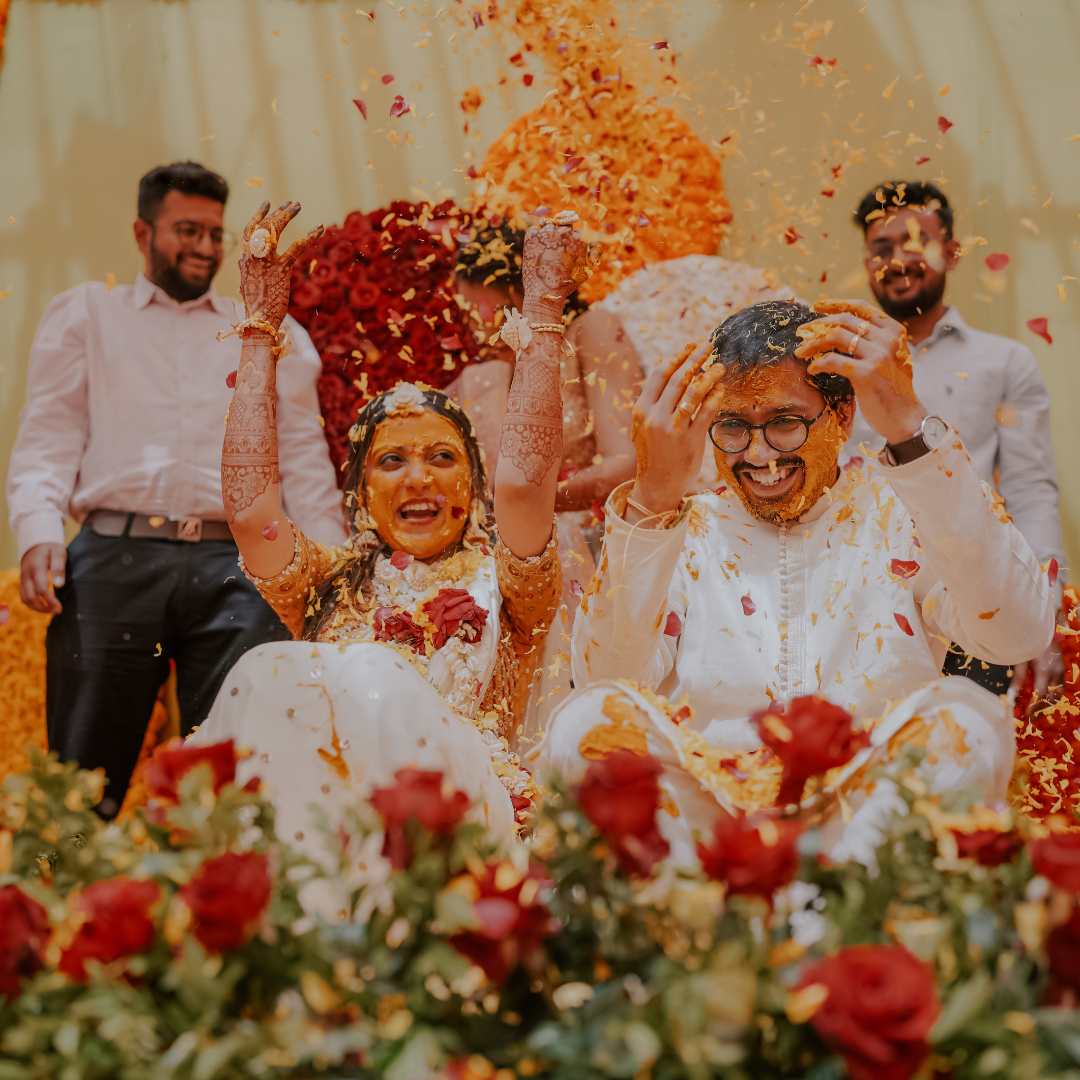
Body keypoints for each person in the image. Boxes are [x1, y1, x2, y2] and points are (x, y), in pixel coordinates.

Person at [542, 298, 1055, 863]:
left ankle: (845, 910)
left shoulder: (901, 509)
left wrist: (911, 430)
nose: (759, 455)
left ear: (839, 416)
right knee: (584, 724)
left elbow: (1016, 634)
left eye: (784, 422)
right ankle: (693, 923)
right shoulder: (686, 529)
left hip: (869, 821)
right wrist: (653, 497)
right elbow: (605, 680)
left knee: (968, 719)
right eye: (733, 427)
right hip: (714, 826)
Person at [191, 204, 587, 855]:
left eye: (442, 458)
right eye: (392, 461)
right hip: (331, 818)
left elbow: (522, 485)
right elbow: (249, 512)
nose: (419, 480)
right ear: (362, 492)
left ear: (472, 483)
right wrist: (259, 329)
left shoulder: (512, 586)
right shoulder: (326, 580)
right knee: (267, 669)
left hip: (457, 823)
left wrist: (543, 312)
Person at [6, 162, 345, 817]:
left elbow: (304, 460)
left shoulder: (270, 333)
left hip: (240, 569)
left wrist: (329, 570)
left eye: (216, 234)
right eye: (186, 230)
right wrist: (40, 533)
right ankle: (71, 902)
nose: (206, 248)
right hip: (114, 558)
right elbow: (47, 436)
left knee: (239, 767)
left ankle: (223, 903)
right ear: (142, 232)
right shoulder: (87, 315)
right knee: (84, 775)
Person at [850, 180, 1064, 695]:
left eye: (915, 242)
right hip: (860, 607)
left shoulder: (1005, 362)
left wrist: (1046, 611)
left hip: (973, 603)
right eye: (881, 248)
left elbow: (1030, 490)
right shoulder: (841, 362)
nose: (898, 260)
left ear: (950, 251)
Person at [448, 220, 643, 734]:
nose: (470, 325)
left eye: (477, 307)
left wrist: (536, 504)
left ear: (515, 290)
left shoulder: (593, 331)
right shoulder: (481, 374)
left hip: (592, 540)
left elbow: (629, 462)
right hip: (501, 549)